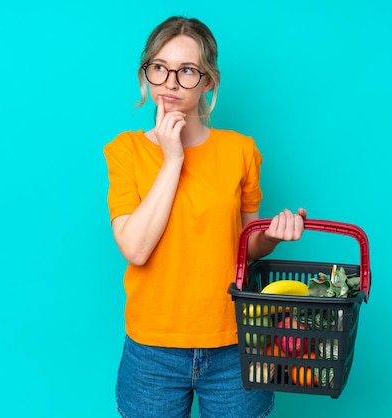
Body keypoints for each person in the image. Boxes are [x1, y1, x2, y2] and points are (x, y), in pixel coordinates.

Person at [103, 16, 307, 418]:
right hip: (153, 352)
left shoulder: (240, 151)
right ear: (146, 73)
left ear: (208, 81)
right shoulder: (125, 151)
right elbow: (135, 248)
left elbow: (243, 248)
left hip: (235, 343)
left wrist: (273, 235)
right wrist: (172, 158)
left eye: (187, 71)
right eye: (159, 67)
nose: (170, 82)